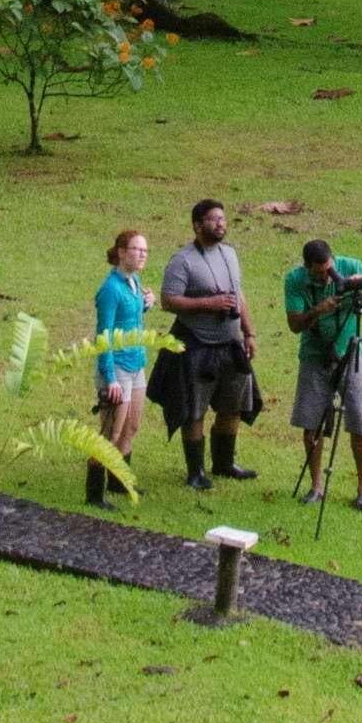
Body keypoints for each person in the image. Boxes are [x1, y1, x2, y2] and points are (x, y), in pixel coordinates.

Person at [285, 235, 362, 511]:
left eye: (329, 270)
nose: (326, 277)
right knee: (312, 424)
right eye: (318, 273)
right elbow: (295, 325)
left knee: (359, 419)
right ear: (306, 267)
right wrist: (318, 309)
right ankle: (316, 486)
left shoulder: (349, 266)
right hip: (314, 355)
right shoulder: (295, 280)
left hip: (350, 351)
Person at [158, 197, 259, 492]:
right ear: (197, 225)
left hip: (230, 342)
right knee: (194, 407)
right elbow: (168, 301)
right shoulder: (182, 260)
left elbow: (240, 296)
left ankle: (224, 463)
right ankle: (195, 471)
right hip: (195, 342)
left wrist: (249, 333)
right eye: (214, 219)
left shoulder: (230, 254)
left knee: (234, 404)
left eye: (223, 219)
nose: (220, 223)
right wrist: (208, 303)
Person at [87, 227, 151, 510]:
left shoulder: (133, 281)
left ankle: (119, 479)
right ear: (122, 252)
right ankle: (94, 493)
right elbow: (104, 336)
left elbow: (131, 318)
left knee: (131, 426)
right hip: (117, 368)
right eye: (136, 249)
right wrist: (110, 378)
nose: (142, 255)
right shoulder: (110, 289)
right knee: (110, 432)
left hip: (137, 364)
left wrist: (146, 304)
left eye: (145, 250)